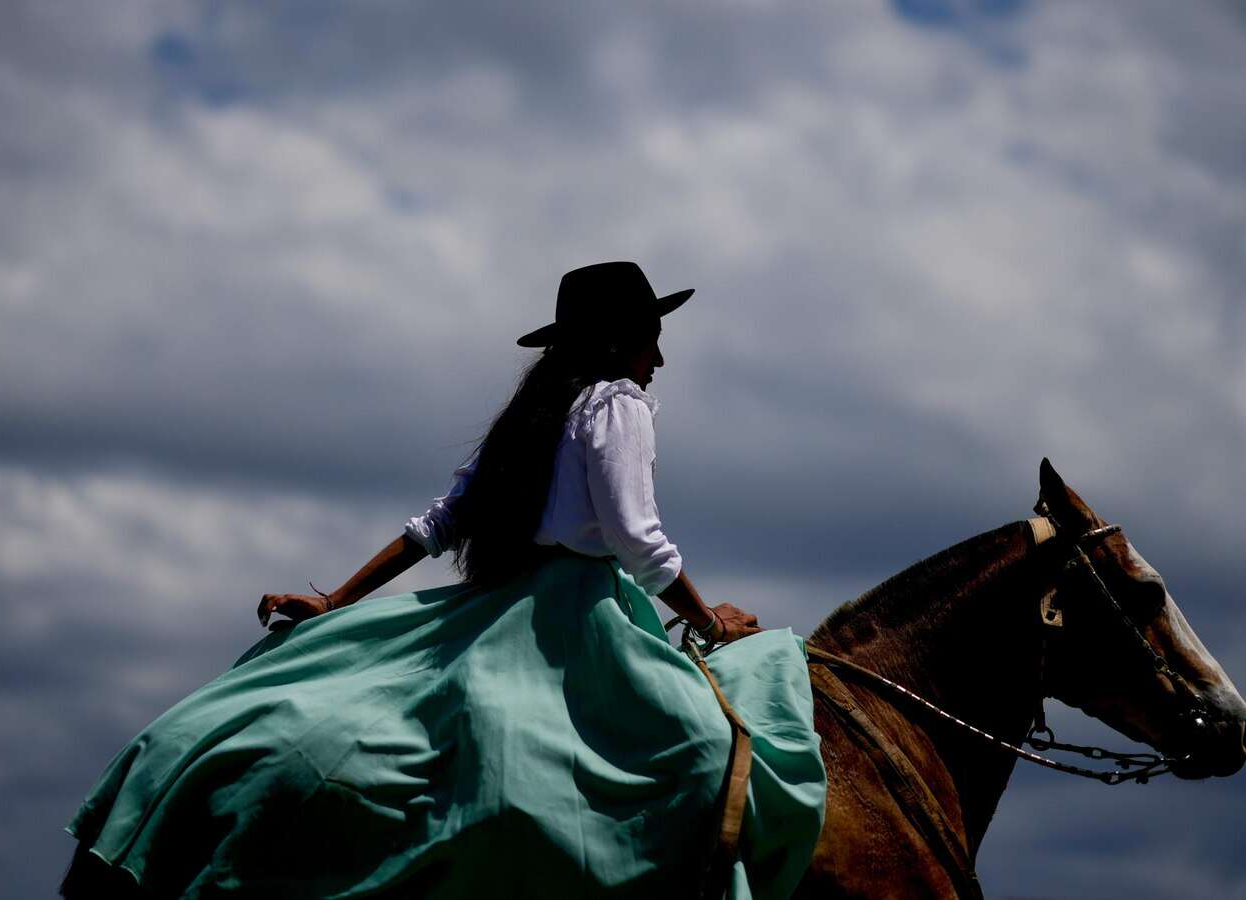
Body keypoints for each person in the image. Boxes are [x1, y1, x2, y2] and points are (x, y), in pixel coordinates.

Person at [60, 262, 827, 899]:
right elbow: (635, 535)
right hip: (577, 623)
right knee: (699, 754)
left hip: (494, 611)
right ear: (621, 342)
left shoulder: (531, 416)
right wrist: (711, 617)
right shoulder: (616, 405)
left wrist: (336, 601)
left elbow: (436, 524)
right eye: (651, 342)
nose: (658, 360)